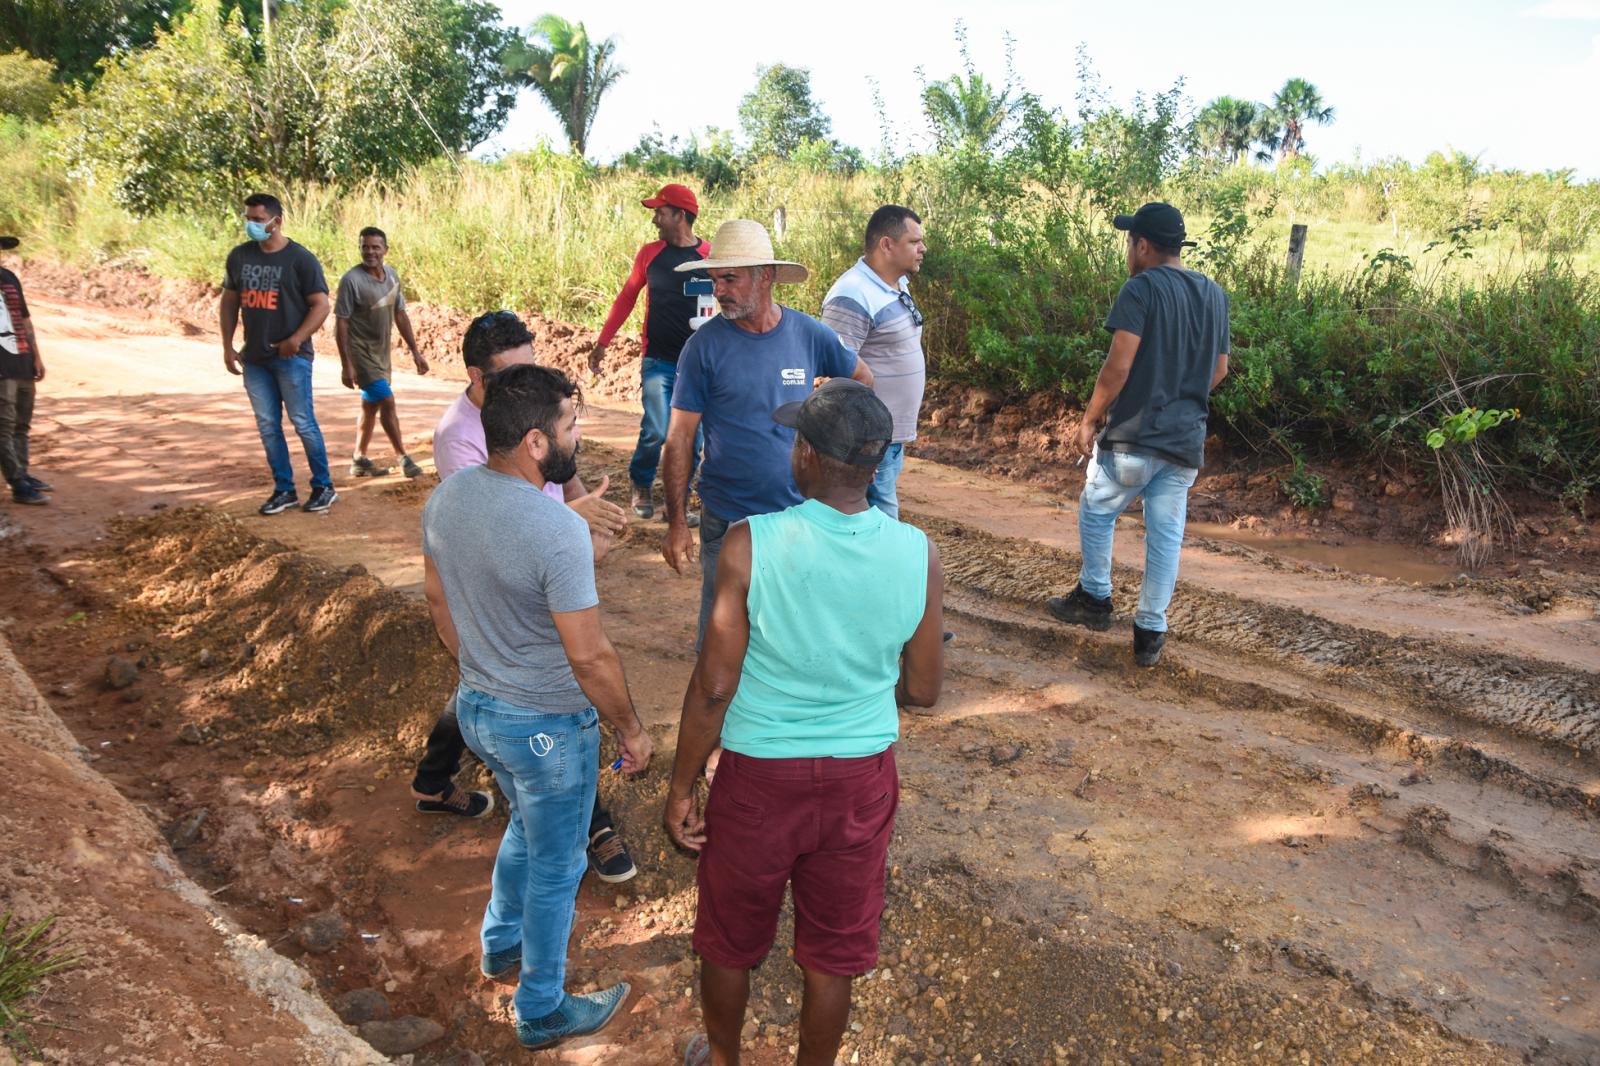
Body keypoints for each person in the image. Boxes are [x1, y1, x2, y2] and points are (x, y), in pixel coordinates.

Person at [665, 379, 945, 1066]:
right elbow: (924, 689)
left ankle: (725, 1058)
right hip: (860, 781)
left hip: (761, 777)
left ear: (809, 460)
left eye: (797, 440)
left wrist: (679, 787)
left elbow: (713, 688)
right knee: (833, 954)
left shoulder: (750, 543)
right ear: (876, 464)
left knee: (729, 938)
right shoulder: (918, 553)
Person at [422, 361, 652, 1051]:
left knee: (524, 829)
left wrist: (484, 669)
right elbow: (590, 657)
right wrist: (631, 729)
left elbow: (443, 598)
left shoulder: (450, 498)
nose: (578, 438)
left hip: (480, 714)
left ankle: (500, 947)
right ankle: (543, 1007)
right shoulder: (553, 529)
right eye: (571, 427)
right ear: (534, 442)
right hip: (548, 729)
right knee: (558, 866)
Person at [411, 310, 638, 884]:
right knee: (555, 854)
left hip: (501, 676)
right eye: (517, 375)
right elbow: (495, 540)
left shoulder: (518, 449)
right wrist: (571, 526)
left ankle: (500, 943)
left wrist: (587, 520)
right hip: (532, 685)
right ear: (481, 381)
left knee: (526, 816)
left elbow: (554, 493)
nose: (530, 383)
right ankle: (542, 973)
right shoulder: (456, 442)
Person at [658, 219, 874, 645]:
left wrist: (827, 428)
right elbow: (680, 438)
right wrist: (677, 522)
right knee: (721, 644)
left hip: (798, 520)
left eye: (730, 278)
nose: (719, 290)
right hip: (728, 520)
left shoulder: (808, 334)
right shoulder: (704, 347)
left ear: (767, 276)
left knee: (794, 636)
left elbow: (862, 379)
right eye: (714, 279)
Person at [1045, 202, 1230, 668]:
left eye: (1131, 243)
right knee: (1166, 534)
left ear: (1143, 246)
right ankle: (1150, 630)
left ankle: (1094, 598)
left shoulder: (1141, 289)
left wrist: (1091, 417)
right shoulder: (1213, 294)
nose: (1129, 251)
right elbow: (1220, 369)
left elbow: (1119, 365)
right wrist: (1180, 396)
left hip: (1135, 437)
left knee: (1097, 509)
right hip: (1185, 441)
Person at [588, 183, 709, 521]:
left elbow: (723, 305)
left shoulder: (709, 257)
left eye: (661, 212)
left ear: (680, 216)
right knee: (656, 429)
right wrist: (603, 342)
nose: (655, 219)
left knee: (692, 440)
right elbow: (627, 297)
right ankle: (641, 481)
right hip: (658, 361)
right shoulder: (649, 255)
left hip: (697, 367)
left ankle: (679, 504)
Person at [220, 193, 337, 515]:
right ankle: (284, 490)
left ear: (277, 221)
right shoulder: (239, 257)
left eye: (257, 219)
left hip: (292, 358)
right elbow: (229, 302)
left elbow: (322, 304)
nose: (251, 225)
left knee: (303, 422)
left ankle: (323, 486)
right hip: (254, 358)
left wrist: (296, 340)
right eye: (248, 218)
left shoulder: (300, 259)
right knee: (268, 425)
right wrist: (227, 345)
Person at [820, 205, 927, 519]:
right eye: (914, 242)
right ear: (887, 245)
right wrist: (859, 445)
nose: (923, 249)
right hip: (866, 444)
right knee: (878, 530)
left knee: (873, 528)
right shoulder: (852, 295)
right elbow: (833, 377)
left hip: (887, 440)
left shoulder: (896, 284)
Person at [334, 226, 430, 479]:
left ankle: (359, 458)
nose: (370, 251)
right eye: (365, 246)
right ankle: (403, 457)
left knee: (371, 406)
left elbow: (400, 314)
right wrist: (347, 364)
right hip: (360, 352)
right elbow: (341, 322)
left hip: (382, 354)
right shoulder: (351, 281)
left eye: (375, 247)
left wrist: (415, 352)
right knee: (386, 400)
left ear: (385, 250)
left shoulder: (392, 277)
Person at [0, 237, 49, 506]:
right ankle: (17, 483)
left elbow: (25, 318)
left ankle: (24, 473)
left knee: (21, 423)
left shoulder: (9, 277)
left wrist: (36, 356)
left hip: (22, 360)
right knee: (4, 426)